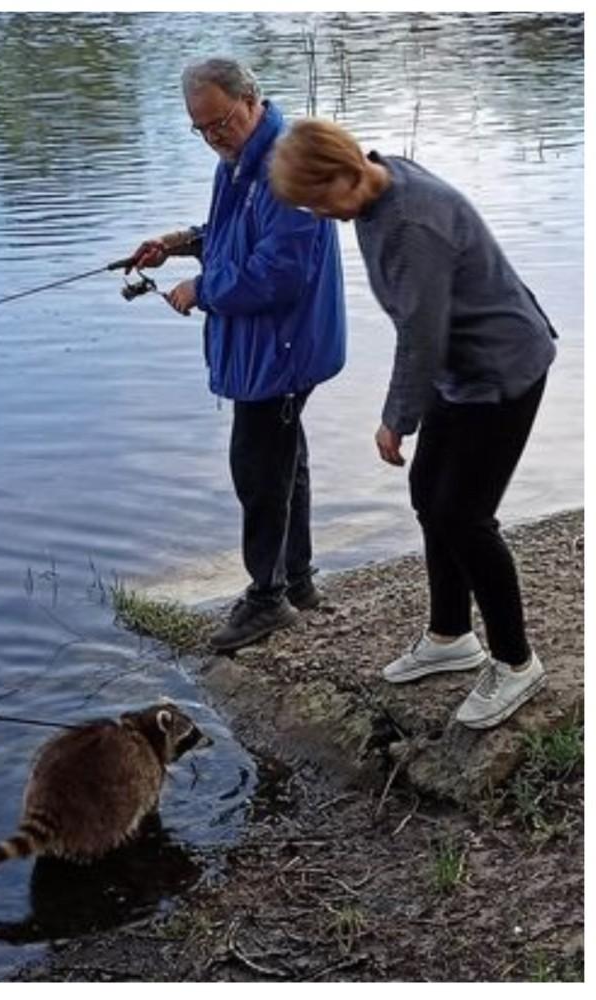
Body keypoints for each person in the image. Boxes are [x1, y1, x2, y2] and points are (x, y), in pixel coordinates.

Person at [269, 118, 556, 729]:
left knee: (464, 515)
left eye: (320, 201)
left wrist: (394, 420)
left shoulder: (409, 224)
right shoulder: (381, 176)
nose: (320, 214)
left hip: (501, 369)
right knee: (430, 495)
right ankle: (452, 635)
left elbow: (420, 339)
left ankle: (515, 661)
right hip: (462, 370)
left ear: (344, 172)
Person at [125, 58, 346, 653]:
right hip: (265, 348)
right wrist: (180, 245)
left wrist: (203, 290)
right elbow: (235, 236)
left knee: (258, 468)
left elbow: (280, 272)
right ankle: (296, 583)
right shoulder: (238, 162)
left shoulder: (287, 165)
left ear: (251, 100)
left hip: (284, 347)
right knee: (281, 459)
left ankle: (267, 599)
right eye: (200, 128)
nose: (212, 136)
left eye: (220, 121)